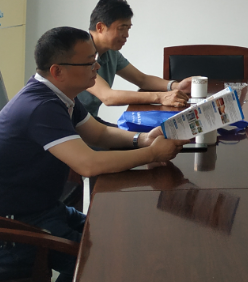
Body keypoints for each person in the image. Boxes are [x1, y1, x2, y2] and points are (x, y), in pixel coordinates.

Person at [0, 27, 189, 281]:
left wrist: (143, 140)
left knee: (115, 237)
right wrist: (153, 154)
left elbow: (99, 134)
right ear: (57, 71)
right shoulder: (40, 106)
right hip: (17, 224)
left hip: (47, 208)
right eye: (89, 62)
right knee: (107, 261)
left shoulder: (61, 95)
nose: (97, 68)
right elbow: (88, 164)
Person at [78, 0, 192, 120]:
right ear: (100, 27)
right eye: (121, 28)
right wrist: (160, 97)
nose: (126, 35)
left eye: (128, 29)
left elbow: (142, 79)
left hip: (89, 121)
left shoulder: (111, 53)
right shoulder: (79, 54)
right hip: (71, 124)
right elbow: (108, 96)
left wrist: (177, 86)